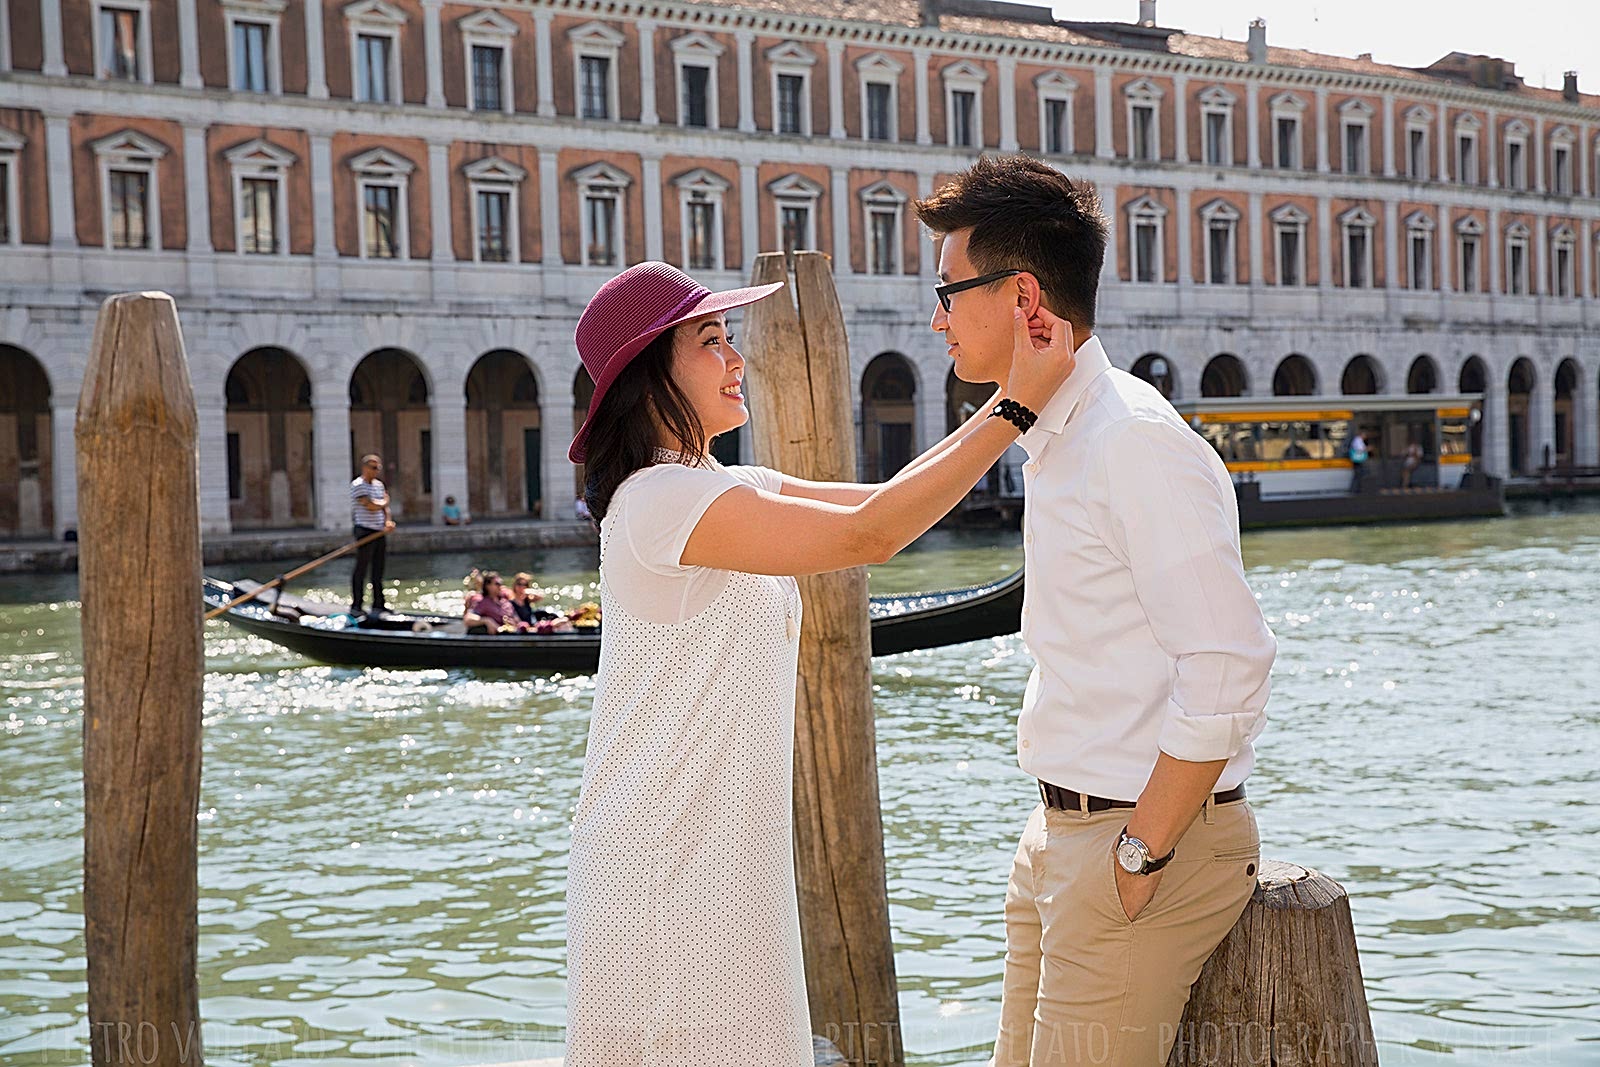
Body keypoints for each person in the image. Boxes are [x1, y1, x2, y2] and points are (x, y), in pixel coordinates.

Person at [562, 259, 1076, 1065]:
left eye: (730, 338)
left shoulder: (716, 484)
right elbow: (868, 537)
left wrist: (1016, 385)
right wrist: (1015, 406)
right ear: (647, 374)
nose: (737, 360)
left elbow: (887, 500)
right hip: (666, 863)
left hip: (721, 854)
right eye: (710, 341)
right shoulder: (662, 502)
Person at [913, 156, 1275, 1067]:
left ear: (1024, 295)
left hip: (1137, 848)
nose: (937, 316)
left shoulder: (1130, 441)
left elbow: (1229, 662)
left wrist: (1139, 853)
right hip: (1065, 836)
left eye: (949, 290)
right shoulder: (1061, 434)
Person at [349, 453, 394, 615]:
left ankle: (378, 604)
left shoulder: (378, 485)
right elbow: (371, 505)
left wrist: (388, 521)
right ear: (365, 468)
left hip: (379, 531)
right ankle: (356, 606)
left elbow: (384, 508)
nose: (377, 471)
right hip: (364, 530)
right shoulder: (358, 485)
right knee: (361, 568)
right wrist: (385, 502)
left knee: (378, 569)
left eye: (378, 468)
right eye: (374, 468)